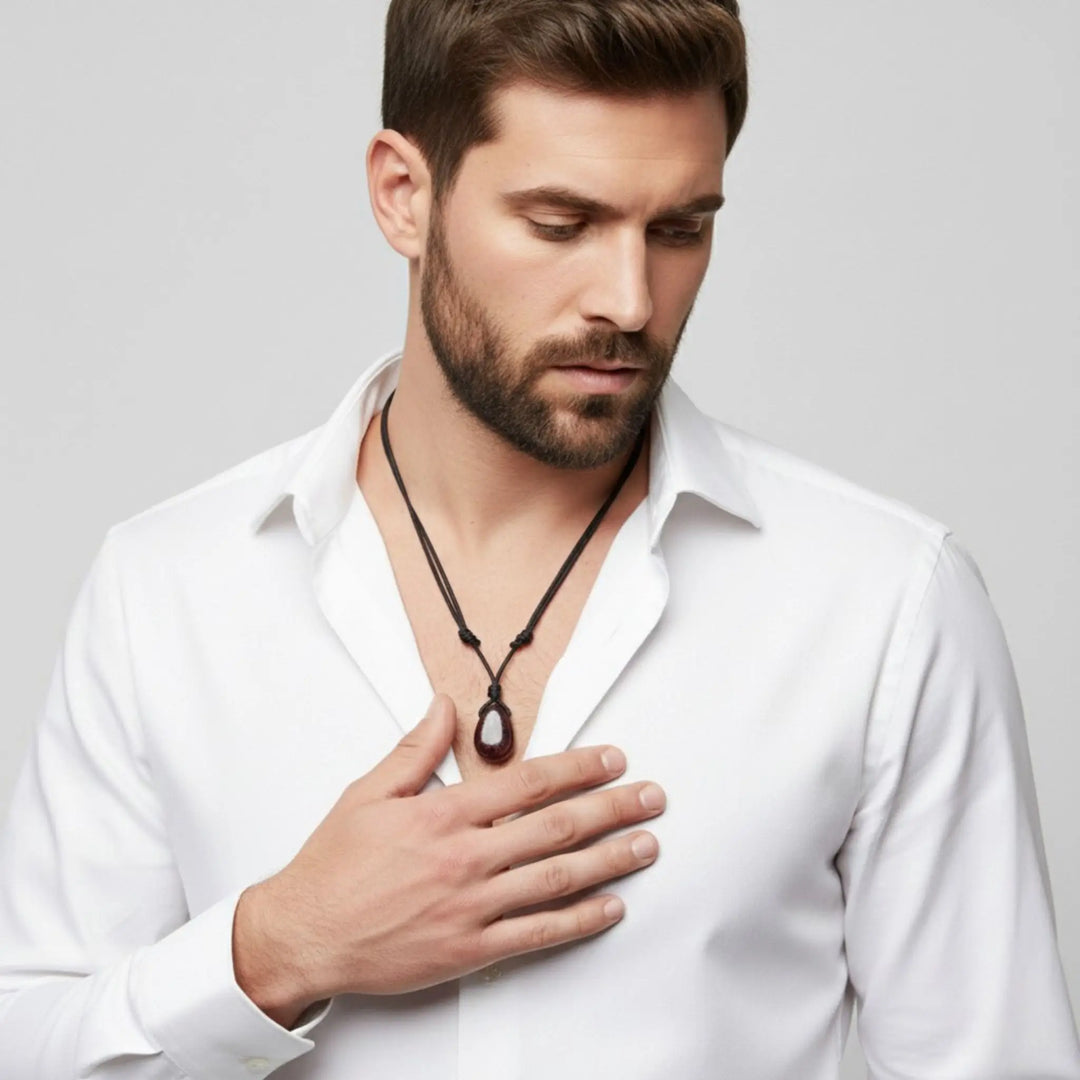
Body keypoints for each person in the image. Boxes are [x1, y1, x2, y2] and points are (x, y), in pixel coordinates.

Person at [2, 0, 1079, 1076]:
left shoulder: (884, 603)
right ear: (404, 194)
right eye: (562, 224)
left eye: (679, 229)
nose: (630, 301)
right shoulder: (167, 591)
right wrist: (278, 947)